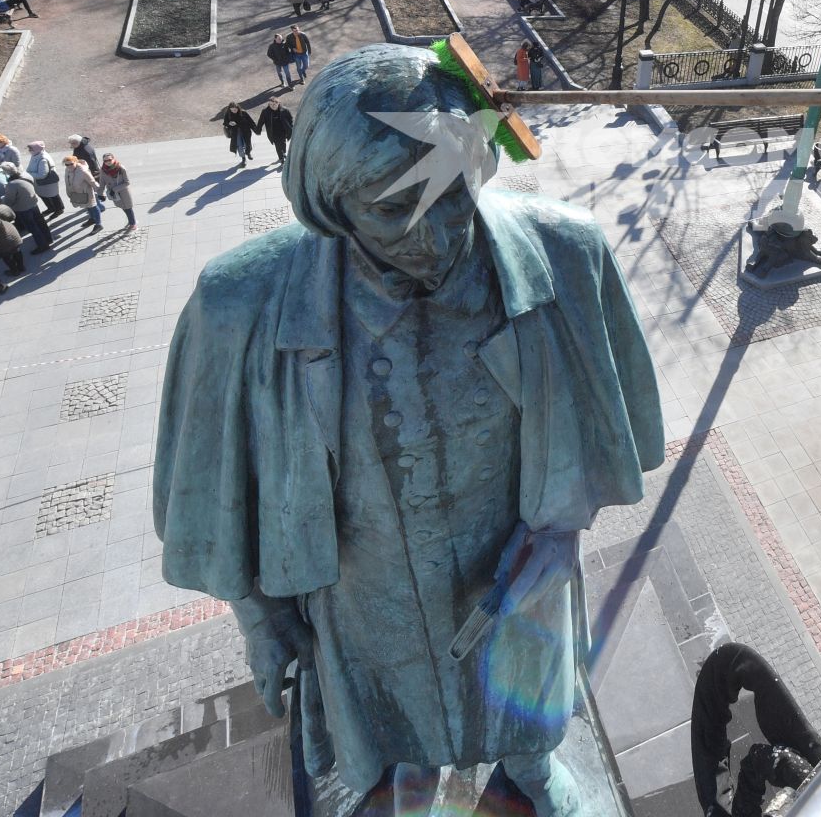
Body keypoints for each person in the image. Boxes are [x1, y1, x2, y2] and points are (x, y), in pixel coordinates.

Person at [152, 45, 662, 816]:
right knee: (392, 716)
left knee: (527, 687)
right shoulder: (239, 305)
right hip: (366, 583)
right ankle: (409, 778)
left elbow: (604, 439)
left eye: (454, 194)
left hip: (510, 558)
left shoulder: (567, 253)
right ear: (331, 202)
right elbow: (211, 501)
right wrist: (259, 618)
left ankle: (531, 763)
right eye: (393, 208)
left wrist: (560, 533)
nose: (434, 235)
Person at [0, 163, 55, 252]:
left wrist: (2, 198)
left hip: (23, 209)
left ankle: (42, 245)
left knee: (32, 227)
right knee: (41, 223)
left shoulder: (11, 185)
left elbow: (9, 201)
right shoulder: (25, 175)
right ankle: (49, 239)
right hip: (33, 204)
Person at [64, 156, 103, 233]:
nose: (69, 166)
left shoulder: (83, 171)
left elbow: (92, 181)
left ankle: (99, 224)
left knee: (93, 207)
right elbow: (67, 182)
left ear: (76, 162)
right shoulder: (67, 170)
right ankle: (92, 219)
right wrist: (69, 192)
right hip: (77, 193)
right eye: (66, 165)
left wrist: (100, 192)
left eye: (71, 164)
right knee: (87, 207)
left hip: (87, 193)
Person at [26, 141, 65, 218]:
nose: (29, 151)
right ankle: (51, 208)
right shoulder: (36, 154)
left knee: (53, 196)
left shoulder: (43, 159)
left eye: (31, 149)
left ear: (37, 149)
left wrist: (29, 174)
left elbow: (42, 175)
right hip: (41, 183)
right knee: (44, 195)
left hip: (47, 183)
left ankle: (59, 209)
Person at [99, 154, 136, 228]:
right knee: (122, 206)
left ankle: (133, 223)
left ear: (113, 159)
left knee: (128, 207)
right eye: (105, 161)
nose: (108, 162)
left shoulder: (121, 168)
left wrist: (114, 189)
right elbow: (102, 182)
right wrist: (100, 193)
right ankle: (131, 220)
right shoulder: (103, 170)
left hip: (123, 191)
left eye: (109, 160)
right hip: (113, 193)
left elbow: (127, 182)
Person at [257, 98, 294, 165]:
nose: (272, 106)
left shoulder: (285, 110)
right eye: (270, 104)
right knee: (278, 145)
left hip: (283, 131)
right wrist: (258, 130)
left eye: (274, 104)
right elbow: (261, 121)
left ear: (278, 103)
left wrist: (291, 127)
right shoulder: (265, 111)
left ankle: (283, 153)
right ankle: (282, 158)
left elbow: (290, 119)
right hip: (273, 132)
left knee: (283, 143)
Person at [221, 102, 258, 167]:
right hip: (235, 132)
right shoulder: (228, 114)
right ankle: (243, 159)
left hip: (245, 131)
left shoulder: (243, 113)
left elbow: (251, 121)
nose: (234, 111)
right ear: (230, 109)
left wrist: (256, 130)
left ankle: (248, 153)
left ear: (237, 108)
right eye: (232, 110)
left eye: (235, 109)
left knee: (247, 143)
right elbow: (225, 123)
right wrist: (229, 123)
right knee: (239, 145)